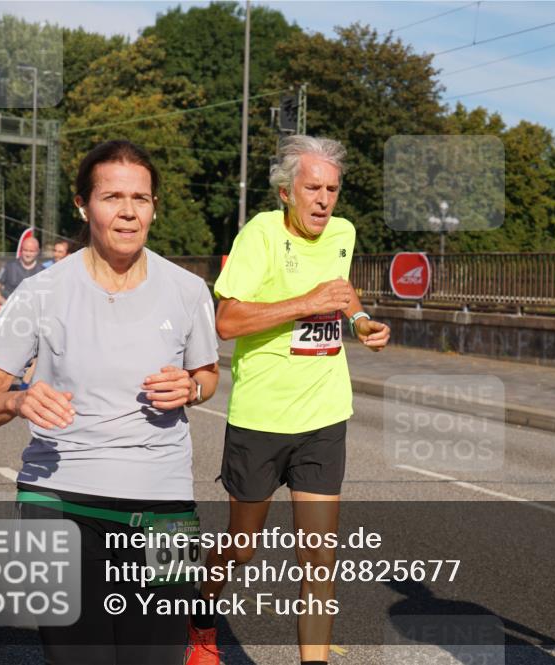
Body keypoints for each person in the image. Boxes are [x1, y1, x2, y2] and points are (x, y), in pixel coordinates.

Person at [0, 140, 220, 665]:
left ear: (154, 207)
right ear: (83, 205)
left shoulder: (189, 290)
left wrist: (191, 389)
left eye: (140, 198)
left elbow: (207, 376)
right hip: (59, 502)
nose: (128, 211)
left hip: (165, 506)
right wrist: (17, 402)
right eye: (112, 197)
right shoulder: (40, 293)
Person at [184, 135, 390, 665]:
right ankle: (201, 618)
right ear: (286, 191)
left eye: (332, 190)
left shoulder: (342, 232)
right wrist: (305, 303)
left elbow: (342, 293)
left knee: (320, 559)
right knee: (242, 548)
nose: (324, 200)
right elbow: (225, 322)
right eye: (313, 188)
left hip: (324, 416)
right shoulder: (261, 235)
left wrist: (361, 321)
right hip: (261, 420)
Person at [0, 235, 43, 305]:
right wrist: (6, 304)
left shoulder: (43, 271)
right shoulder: (9, 267)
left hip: (33, 313)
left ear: (37, 252)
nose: (28, 254)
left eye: (31, 251)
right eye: (25, 250)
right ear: (21, 250)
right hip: (10, 312)